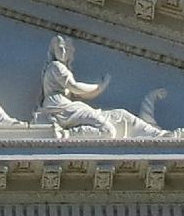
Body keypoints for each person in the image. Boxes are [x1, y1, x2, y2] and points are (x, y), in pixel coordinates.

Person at [33, 35, 161, 138]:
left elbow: (80, 93)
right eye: (60, 48)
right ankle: (66, 135)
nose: (63, 52)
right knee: (107, 130)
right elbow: (75, 87)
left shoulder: (61, 68)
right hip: (60, 108)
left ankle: (158, 135)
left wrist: (97, 89)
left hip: (66, 108)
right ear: (54, 50)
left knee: (121, 115)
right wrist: (100, 87)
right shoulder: (56, 66)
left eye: (66, 49)